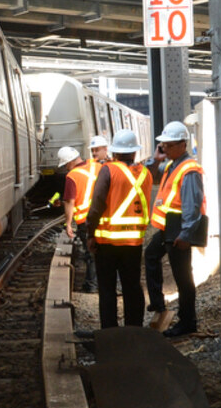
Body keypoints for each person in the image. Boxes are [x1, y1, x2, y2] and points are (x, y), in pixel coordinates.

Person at [85, 129, 153, 329]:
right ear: (135, 152)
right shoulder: (146, 174)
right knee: (132, 286)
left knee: (107, 289)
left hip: (107, 242)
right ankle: (134, 329)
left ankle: (110, 331)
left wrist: (90, 234)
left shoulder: (108, 171)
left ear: (114, 151)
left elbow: (96, 205)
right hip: (133, 242)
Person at [144, 121, 206, 338]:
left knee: (183, 277)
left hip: (179, 230)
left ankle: (188, 322)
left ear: (182, 144)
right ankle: (158, 303)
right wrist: (156, 159)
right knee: (151, 255)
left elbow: (192, 205)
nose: (165, 149)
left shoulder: (189, 170)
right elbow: (151, 176)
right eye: (164, 145)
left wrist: (186, 234)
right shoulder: (172, 165)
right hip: (169, 228)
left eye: (169, 145)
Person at [67, 134, 109, 292]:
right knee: (100, 252)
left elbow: (70, 201)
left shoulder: (106, 167)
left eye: (97, 150)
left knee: (93, 253)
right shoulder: (98, 166)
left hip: (93, 218)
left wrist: (68, 223)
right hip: (98, 216)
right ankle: (99, 283)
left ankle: (93, 284)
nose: (94, 153)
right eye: (93, 151)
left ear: (106, 149)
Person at [53, 145, 85, 237]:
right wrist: (62, 203)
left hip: (85, 220)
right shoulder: (94, 167)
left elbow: (70, 202)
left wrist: (68, 224)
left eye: (65, 165)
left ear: (70, 162)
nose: (66, 168)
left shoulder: (72, 176)